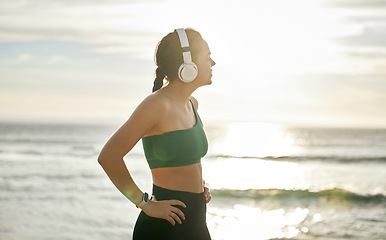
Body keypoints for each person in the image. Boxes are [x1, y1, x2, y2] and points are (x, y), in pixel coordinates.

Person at [98, 28, 216, 240]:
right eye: (208, 57)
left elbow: (179, 160)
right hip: (165, 226)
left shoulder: (192, 105)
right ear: (187, 64)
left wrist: (198, 186)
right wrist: (145, 203)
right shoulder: (156, 105)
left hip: (196, 219)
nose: (213, 64)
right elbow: (108, 157)